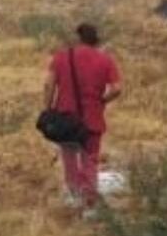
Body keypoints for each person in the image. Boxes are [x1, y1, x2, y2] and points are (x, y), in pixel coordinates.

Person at [44, 23, 122, 212]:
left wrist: (47, 109)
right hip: (92, 119)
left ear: (78, 37)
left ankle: (74, 198)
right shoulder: (105, 60)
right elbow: (117, 89)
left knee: (69, 159)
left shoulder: (62, 57)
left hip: (66, 118)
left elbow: (49, 85)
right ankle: (89, 202)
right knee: (90, 160)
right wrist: (102, 101)